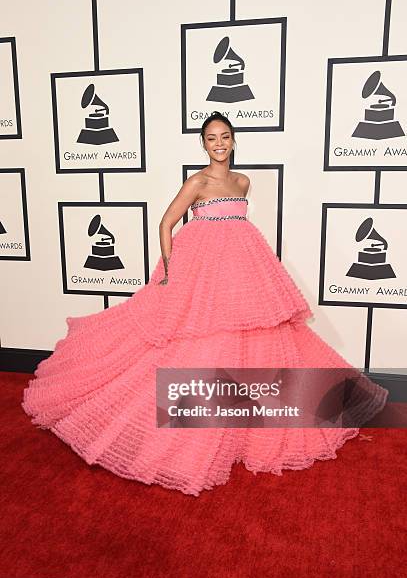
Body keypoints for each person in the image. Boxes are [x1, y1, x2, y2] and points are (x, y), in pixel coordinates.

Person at [22, 111, 388, 496]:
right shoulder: (196, 181)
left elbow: (233, 229)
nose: (218, 143)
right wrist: (168, 269)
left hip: (242, 270)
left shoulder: (243, 182)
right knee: (196, 341)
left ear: (233, 141)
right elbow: (166, 223)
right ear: (203, 143)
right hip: (201, 272)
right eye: (211, 137)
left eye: (225, 136)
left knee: (254, 342)